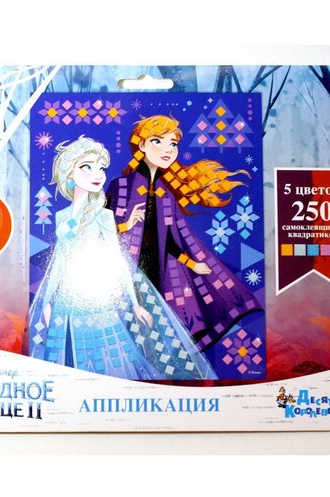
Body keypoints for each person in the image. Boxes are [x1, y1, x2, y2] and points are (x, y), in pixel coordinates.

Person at [29, 136, 216, 380]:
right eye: (87, 167)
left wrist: (135, 304)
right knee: (66, 364)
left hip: (98, 302)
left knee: (110, 361)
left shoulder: (104, 216)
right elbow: (60, 263)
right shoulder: (62, 216)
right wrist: (47, 303)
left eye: (101, 168)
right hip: (65, 304)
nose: (97, 174)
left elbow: (118, 261)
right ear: (69, 173)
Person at [106, 115, 262, 352]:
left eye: (173, 143)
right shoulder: (122, 186)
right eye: (158, 141)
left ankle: (157, 363)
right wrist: (127, 225)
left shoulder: (165, 192)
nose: (168, 149)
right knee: (131, 329)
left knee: (158, 329)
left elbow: (171, 240)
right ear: (142, 145)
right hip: (126, 269)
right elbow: (103, 231)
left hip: (159, 270)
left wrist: (192, 263)